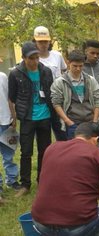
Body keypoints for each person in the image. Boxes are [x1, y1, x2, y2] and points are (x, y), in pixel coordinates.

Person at [8, 41, 53, 197]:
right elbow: (12, 98)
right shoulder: (15, 73)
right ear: (23, 58)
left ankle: (43, 181)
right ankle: (25, 184)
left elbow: (50, 92)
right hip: (27, 118)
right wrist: (14, 118)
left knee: (45, 152)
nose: (35, 62)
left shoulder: (46, 71)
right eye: (31, 58)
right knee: (26, 152)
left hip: (45, 117)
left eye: (37, 58)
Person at [51, 50, 99, 140]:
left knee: (97, 150)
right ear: (68, 63)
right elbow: (56, 103)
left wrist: (95, 120)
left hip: (90, 122)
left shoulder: (90, 80)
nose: (78, 69)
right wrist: (68, 122)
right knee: (75, 151)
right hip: (72, 122)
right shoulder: (60, 82)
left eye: (81, 66)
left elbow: (98, 99)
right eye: (75, 66)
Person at [33, 26, 67, 141]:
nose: (43, 44)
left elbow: (64, 71)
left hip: (58, 98)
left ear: (49, 41)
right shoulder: (33, 59)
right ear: (35, 42)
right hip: (42, 102)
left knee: (61, 132)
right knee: (44, 136)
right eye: (40, 42)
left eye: (45, 41)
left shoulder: (57, 55)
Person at [0, 61, 21, 203]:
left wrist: (14, 118)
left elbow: (10, 98)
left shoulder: (2, 76)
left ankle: (12, 180)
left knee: (9, 153)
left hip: (6, 120)